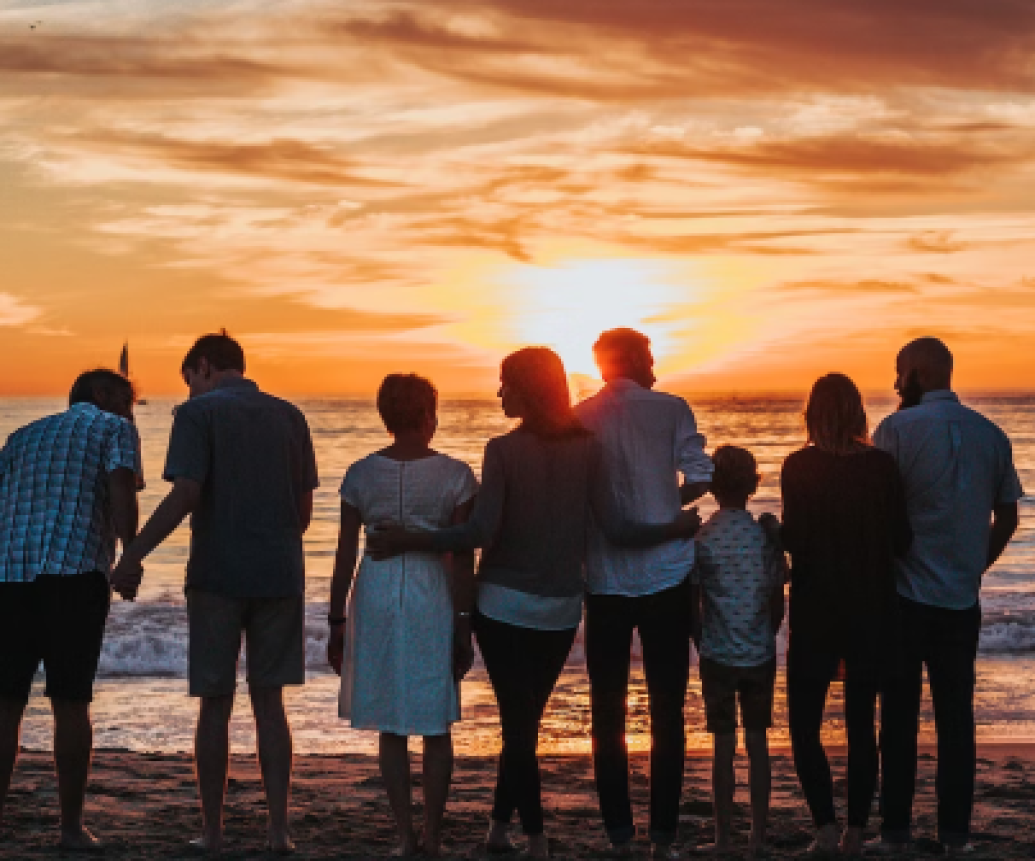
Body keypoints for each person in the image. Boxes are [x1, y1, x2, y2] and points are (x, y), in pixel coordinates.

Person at [368, 347, 700, 859]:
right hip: (561, 609)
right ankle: (500, 827)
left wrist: (411, 537)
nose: (499, 392)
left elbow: (479, 532)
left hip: (503, 606)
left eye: (505, 383)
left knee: (518, 728)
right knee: (523, 724)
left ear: (527, 388)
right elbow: (616, 527)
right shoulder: (588, 447)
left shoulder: (501, 450)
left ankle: (537, 839)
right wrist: (672, 526)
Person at [111, 332, 318, 855]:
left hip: (217, 575)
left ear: (203, 367)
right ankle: (278, 831)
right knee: (270, 704)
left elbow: (185, 493)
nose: (191, 391)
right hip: (279, 575)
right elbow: (305, 516)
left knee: (214, 705)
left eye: (190, 381)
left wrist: (132, 553)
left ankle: (213, 832)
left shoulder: (196, 415)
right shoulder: (291, 416)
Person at [870, 338, 1023, 856]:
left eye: (899, 373)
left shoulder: (893, 431)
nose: (895, 384)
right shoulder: (992, 434)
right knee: (957, 719)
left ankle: (895, 832)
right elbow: (1009, 516)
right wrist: (976, 564)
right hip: (961, 597)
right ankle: (954, 836)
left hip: (906, 596)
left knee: (898, 718)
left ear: (918, 373)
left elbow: (876, 512)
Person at [573, 328, 713, 858]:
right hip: (666, 577)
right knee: (667, 709)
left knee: (606, 707)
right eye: (650, 355)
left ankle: (618, 834)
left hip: (604, 579)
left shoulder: (581, 416)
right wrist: (664, 500)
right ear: (633, 358)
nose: (655, 364)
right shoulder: (673, 409)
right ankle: (663, 837)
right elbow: (701, 475)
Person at [327, 374, 478, 857]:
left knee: (391, 724)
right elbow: (464, 556)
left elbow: (345, 554)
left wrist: (335, 621)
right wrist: (464, 620)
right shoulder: (455, 475)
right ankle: (432, 837)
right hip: (430, 591)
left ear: (385, 416)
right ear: (429, 414)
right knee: (435, 723)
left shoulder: (359, 473)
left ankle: (405, 837)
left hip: (374, 591)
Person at [0, 369, 140, 851]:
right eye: (128, 398)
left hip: (9, 577)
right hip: (74, 573)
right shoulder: (114, 428)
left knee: (5, 702)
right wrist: (130, 557)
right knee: (71, 701)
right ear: (101, 395)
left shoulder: (21, 435)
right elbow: (122, 491)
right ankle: (70, 827)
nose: (131, 408)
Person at [775, 373, 912, 856]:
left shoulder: (797, 467)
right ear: (858, 413)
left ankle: (825, 829)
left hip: (817, 609)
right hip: (873, 608)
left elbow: (799, 542)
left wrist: (774, 532)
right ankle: (855, 831)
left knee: (805, 725)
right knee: (861, 725)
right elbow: (902, 541)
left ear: (812, 414)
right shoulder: (881, 467)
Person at [690, 445, 786, 858]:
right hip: (759, 653)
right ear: (752, 486)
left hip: (718, 654)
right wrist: (767, 632)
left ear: (712, 487)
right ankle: (759, 837)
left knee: (724, 748)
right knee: (758, 743)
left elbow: (694, 604)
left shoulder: (703, 538)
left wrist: (702, 642)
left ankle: (724, 838)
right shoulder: (763, 536)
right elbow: (777, 597)